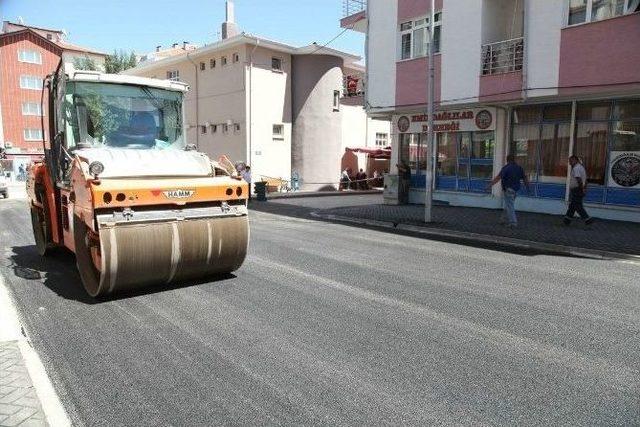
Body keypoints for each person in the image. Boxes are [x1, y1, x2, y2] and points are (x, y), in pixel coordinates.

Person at [487, 155, 530, 228]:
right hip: (515, 190)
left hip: (508, 189)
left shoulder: (506, 168)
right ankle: (503, 220)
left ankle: (513, 223)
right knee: (508, 205)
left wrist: (489, 185)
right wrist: (528, 187)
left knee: (510, 206)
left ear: (507, 160)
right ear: (514, 160)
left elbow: (498, 178)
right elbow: (525, 178)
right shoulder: (519, 168)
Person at [564, 156, 593, 226]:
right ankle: (567, 220)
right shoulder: (581, 167)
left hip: (577, 189)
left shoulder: (576, 168)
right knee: (573, 205)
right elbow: (585, 180)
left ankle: (587, 219)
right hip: (579, 189)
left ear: (575, 160)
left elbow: (579, 179)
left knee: (577, 206)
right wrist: (584, 188)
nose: (569, 163)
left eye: (570, 161)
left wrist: (582, 188)